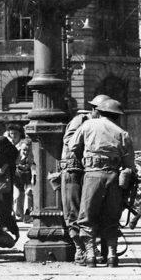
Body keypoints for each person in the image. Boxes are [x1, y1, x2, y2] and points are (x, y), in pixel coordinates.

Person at [70, 97, 136, 267]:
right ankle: (112, 256)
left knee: (87, 216)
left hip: (92, 174)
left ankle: (91, 255)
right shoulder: (122, 133)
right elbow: (129, 164)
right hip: (114, 176)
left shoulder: (88, 125)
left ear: (99, 111)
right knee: (111, 216)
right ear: (117, 115)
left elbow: (73, 146)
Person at [59, 97, 107, 263]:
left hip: (88, 169)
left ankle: (89, 247)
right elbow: (69, 141)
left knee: (89, 210)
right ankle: (80, 249)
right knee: (73, 209)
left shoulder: (100, 123)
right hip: (73, 169)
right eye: (102, 112)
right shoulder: (81, 120)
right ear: (94, 109)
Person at [5, 123, 32, 223]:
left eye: (15, 133)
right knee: (16, 194)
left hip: (25, 172)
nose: (13, 136)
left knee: (26, 193)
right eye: (11, 133)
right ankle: (18, 214)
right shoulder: (9, 144)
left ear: (20, 134)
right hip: (13, 173)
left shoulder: (24, 144)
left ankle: (26, 214)